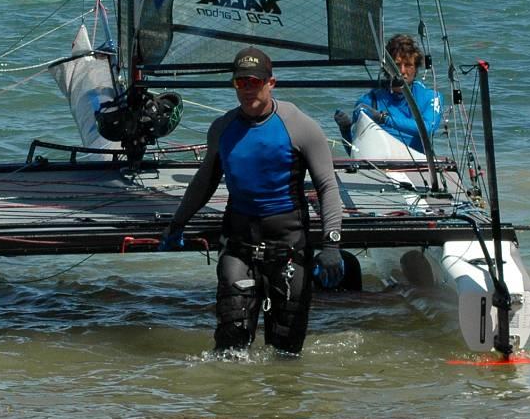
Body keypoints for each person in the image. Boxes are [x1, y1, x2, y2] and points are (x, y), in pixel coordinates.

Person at [160, 46, 345, 355]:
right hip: (239, 245)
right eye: (240, 82)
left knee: (285, 349)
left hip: (288, 246)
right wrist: (176, 224)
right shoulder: (223, 128)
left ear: (271, 83)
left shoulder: (300, 126)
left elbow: (328, 187)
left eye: (254, 82)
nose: (247, 90)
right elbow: (204, 182)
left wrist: (331, 245)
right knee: (230, 346)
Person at [352, 33, 443, 153]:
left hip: (419, 166)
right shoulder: (369, 101)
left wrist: (385, 119)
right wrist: (344, 129)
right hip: (380, 165)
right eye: (397, 65)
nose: (402, 71)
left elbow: (427, 128)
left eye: (408, 65)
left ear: (416, 68)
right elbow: (355, 150)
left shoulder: (431, 97)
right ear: (387, 67)